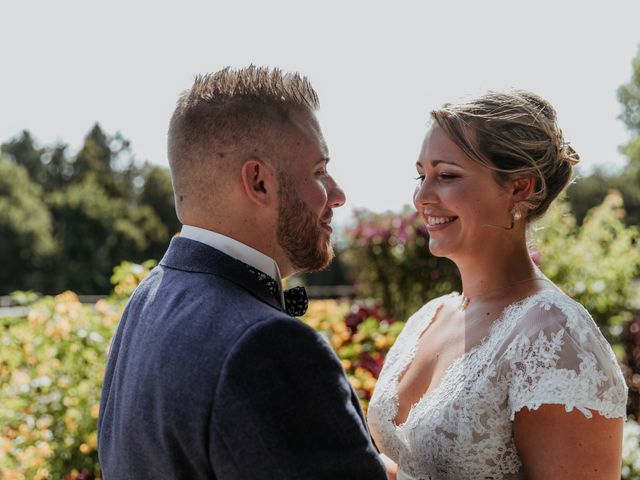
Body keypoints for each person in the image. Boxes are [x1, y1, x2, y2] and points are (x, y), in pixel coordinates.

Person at [98, 66, 387, 480]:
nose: (337, 195)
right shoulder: (268, 346)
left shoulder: (148, 300)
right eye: (319, 171)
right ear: (259, 182)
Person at [367, 90, 628, 480]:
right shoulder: (428, 319)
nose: (422, 197)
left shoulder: (555, 336)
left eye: (447, 176)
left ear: (519, 188)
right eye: (422, 175)